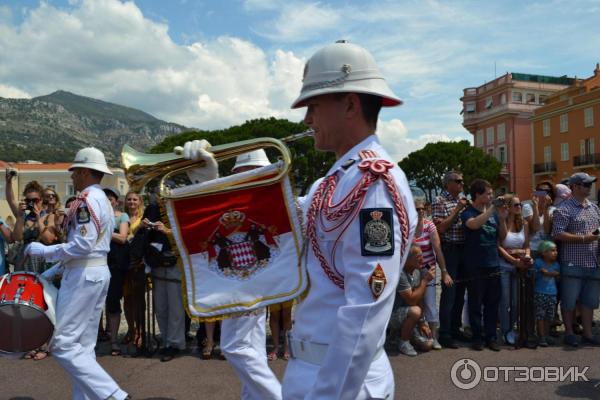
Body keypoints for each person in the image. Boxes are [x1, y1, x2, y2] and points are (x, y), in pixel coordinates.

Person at [182, 40, 416, 399]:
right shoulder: (332, 182)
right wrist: (211, 185)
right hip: (312, 370)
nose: (307, 119)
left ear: (351, 105)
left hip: (340, 382)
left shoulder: (372, 184)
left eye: (314, 106)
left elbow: (365, 311)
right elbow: (271, 227)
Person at [24, 147, 129, 400]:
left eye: (74, 172)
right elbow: (90, 248)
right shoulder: (102, 199)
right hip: (94, 271)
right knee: (83, 347)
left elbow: (82, 245)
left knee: (63, 345)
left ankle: (114, 395)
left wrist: (44, 252)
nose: (72, 177)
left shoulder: (86, 200)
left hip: (83, 275)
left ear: (83, 172)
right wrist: (52, 270)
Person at [552, 172, 600, 347]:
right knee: (569, 300)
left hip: (594, 262)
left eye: (590, 184)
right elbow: (557, 233)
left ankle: (587, 333)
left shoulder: (594, 208)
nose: (589, 187)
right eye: (586, 184)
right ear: (575, 187)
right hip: (572, 263)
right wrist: (582, 239)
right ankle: (570, 333)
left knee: (590, 302)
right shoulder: (563, 209)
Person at [461, 179, 508, 351]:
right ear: (477, 195)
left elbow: (502, 237)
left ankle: (491, 337)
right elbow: (473, 224)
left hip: (493, 263)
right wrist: (492, 210)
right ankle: (477, 337)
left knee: (492, 303)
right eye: (488, 194)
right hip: (475, 265)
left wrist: (502, 219)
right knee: (475, 303)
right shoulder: (468, 212)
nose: (491, 196)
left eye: (491, 193)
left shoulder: (494, 213)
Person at [431, 171, 467, 349]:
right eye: (458, 181)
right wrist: (457, 210)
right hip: (450, 249)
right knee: (449, 293)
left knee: (460, 293)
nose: (462, 183)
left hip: (464, 249)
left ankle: (455, 327)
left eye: (462, 181)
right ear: (448, 183)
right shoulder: (440, 201)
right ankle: (445, 332)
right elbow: (441, 228)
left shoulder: (463, 200)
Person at [412, 199, 448, 350]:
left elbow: (438, 249)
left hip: (428, 267)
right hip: (412, 269)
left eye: (422, 209)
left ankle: (434, 336)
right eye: (417, 209)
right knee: (413, 302)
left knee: (430, 302)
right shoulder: (407, 226)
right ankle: (414, 335)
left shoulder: (429, 225)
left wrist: (444, 271)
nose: (420, 212)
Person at [389, 244, 436, 356]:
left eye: (422, 256)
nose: (422, 259)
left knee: (428, 344)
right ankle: (403, 342)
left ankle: (398, 336)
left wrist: (423, 322)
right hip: (392, 315)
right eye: (418, 256)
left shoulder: (416, 272)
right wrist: (425, 281)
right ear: (407, 258)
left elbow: (419, 299)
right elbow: (411, 300)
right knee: (415, 311)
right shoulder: (400, 274)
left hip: (409, 314)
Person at [104, 187, 130, 357]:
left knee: (113, 303)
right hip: (97, 263)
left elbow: (122, 237)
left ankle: (114, 340)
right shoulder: (93, 217)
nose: (107, 200)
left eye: (110, 198)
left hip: (114, 264)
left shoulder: (122, 216)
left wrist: (104, 231)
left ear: (116, 201)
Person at [123, 190, 146, 352]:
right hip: (124, 261)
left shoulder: (143, 218)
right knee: (127, 298)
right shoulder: (122, 218)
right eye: (129, 199)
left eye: (134, 199)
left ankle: (140, 331)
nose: (131, 202)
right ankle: (131, 329)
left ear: (140, 201)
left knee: (139, 299)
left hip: (139, 263)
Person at [533, 241, 560, 347]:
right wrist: (541, 272)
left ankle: (546, 334)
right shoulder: (538, 262)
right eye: (552, 250)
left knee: (549, 316)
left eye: (556, 250)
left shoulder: (556, 264)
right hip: (540, 293)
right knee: (540, 316)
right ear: (544, 252)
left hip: (552, 294)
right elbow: (533, 276)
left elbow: (558, 277)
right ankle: (541, 336)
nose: (555, 253)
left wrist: (554, 274)